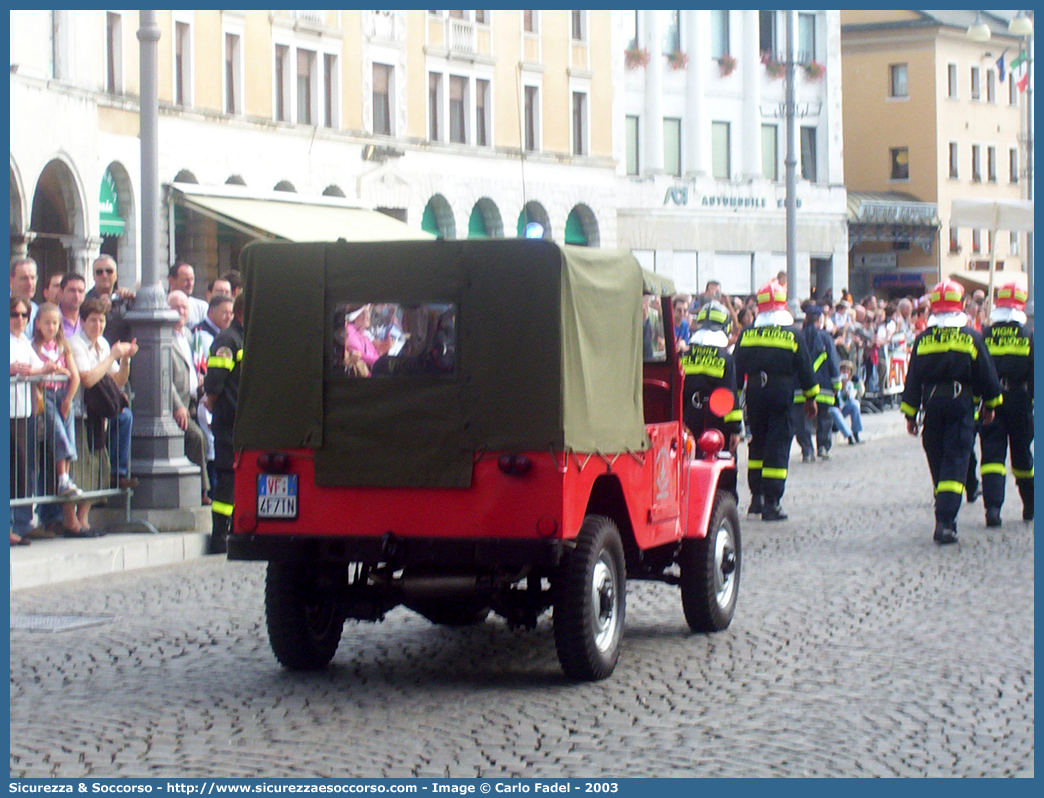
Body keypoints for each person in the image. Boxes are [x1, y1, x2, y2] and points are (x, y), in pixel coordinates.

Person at [901, 280, 1002, 545]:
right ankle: (945, 522)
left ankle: (944, 509)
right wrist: (990, 406)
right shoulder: (971, 337)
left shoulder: (923, 340)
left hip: (932, 408)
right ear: (960, 306)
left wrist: (910, 415)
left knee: (938, 459)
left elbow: (912, 379)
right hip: (961, 407)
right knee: (955, 462)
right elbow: (987, 376)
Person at [734, 280, 818, 521]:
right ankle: (773, 502)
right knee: (778, 446)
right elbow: (805, 369)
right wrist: (811, 398)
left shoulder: (748, 334)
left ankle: (756, 499)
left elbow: (736, 372)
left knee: (757, 444)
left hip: (755, 395)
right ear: (783, 307)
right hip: (781, 394)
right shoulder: (793, 334)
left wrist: (734, 401)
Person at [69, 297, 137, 536]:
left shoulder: (104, 345)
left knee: (96, 462)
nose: (98, 326)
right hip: (78, 411)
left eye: (101, 321)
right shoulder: (76, 344)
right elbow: (87, 378)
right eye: (93, 321)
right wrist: (111, 357)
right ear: (83, 321)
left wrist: (125, 358)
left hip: (98, 413)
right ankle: (72, 521)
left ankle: (83, 518)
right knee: (79, 466)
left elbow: (117, 380)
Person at [978, 282, 1033, 525]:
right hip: (1019, 399)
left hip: (991, 400)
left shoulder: (985, 334)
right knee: (1022, 456)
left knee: (991, 456)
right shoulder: (1029, 335)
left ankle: (992, 509)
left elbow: (977, 370)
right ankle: (1030, 505)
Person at [10, 296, 57, 545]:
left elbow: (36, 366)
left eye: (24, 315)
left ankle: (21, 523)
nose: (20, 320)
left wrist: (42, 368)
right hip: (8, 410)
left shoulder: (22, 341)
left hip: (23, 410)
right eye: (14, 315)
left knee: (21, 469)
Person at [203, 292, 245, 554]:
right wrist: (212, 400)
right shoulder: (228, 339)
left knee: (237, 476)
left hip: (241, 420)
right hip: (229, 420)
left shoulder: (243, 337)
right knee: (228, 477)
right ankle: (220, 536)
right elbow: (215, 381)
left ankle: (232, 530)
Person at [32, 302, 83, 512]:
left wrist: (69, 398)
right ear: (38, 324)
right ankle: (63, 478)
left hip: (63, 395)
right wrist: (47, 370)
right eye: (47, 323)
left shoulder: (63, 346)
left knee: (68, 433)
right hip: (47, 395)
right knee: (58, 433)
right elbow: (35, 373)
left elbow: (75, 376)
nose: (51, 327)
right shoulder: (35, 347)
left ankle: (65, 478)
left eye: (55, 323)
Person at [680, 300, 742, 452]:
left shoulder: (684, 356)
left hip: (690, 420)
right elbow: (729, 395)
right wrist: (735, 430)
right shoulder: (725, 358)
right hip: (718, 424)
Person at [168, 291, 210, 504]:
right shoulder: (164, 337)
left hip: (195, 400)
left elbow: (196, 366)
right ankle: (202, 491)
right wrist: (177, 406)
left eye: (184, 307)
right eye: (176, 307)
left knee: (209, 437)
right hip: (178, 406)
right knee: (196, 438)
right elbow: (164, 378)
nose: (181, 311)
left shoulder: (189, 335)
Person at [192, 293, 234, 499]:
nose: (228, 316)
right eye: (224, 312)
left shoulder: (226, 335)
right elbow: (214, 377)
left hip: (222, 407)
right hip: (216, 407)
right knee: (213, 451)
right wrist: (210, 398)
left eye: (231, 312)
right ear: (211, 312)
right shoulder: (211, 336)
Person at [793, 302, 841, 462]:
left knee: (802, 422)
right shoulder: (826, 338)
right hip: (824, 388)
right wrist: (837, 386)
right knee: (824, 419)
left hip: (800, 388)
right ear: (819, 320)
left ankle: (807, 451)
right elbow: (834, 363)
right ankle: (823, 448)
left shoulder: (797, 337)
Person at [86, 254, 135, 344]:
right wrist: (99, 307)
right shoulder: (86, 301)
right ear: (93, 276)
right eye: (99, 272)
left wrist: (133, 298)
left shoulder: (124, 299)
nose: (104, 275)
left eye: (109, 271)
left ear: (116, 275)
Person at [829, 360, 863, 445]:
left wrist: (845, 389)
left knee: (855, 404)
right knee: (834, 411)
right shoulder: (834, 381)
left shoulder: (851, 384)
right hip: (835, 409)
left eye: (847, 370)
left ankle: (856, 432)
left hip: (844, 409)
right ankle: (848, 435)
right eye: (843, 370)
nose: (845, 372)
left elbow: (851, 398)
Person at [168, 261, 209, 328]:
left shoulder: (202, 308)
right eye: (186, 280)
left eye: (192, 279)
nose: (190, 284)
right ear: (171, 280)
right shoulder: (163, 307)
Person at [10, 256, 39, 334]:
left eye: (32, 278)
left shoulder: (37, 311)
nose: (29, 284)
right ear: (10, 281)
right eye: (24, 278)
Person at [58, 272, 87, 340]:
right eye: (72, 290)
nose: (76, 296)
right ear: (61, 292)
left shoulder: (88, 320)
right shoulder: (51, 319)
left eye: (80, 291)